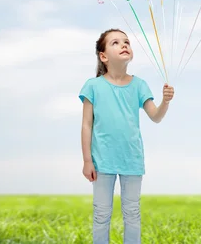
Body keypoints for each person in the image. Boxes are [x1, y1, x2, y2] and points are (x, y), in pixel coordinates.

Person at [79, 28, 175, 244]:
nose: (124, 45)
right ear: (103, 56)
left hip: (131, 159)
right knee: (101, 213)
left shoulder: (139, 85)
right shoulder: (93, 86)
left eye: (126, 42)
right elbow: (86, 125)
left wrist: (165, 101)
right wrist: (87, 160)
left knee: (132, 213)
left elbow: (156, 116)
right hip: (102, 161)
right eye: (115, 43)